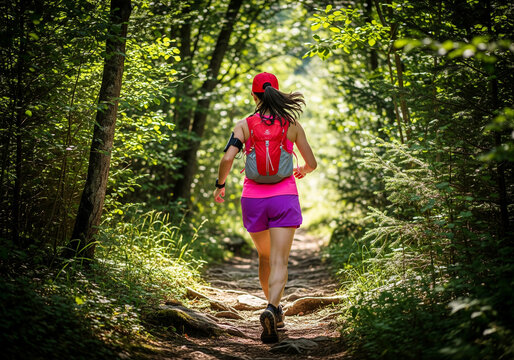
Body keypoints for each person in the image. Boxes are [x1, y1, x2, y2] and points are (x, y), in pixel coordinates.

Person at [213, 72, 317, 343]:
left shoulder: (244, 125)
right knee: (281, 260)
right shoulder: (291, 124)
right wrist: (301, 170)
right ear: (276, 93)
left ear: (254, 95)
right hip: (284, 198)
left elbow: (227, 158)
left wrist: (220, 184)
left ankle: (275, 309)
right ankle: (272, 308)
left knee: (265, 257)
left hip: (253, 200)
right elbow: (312, 163)